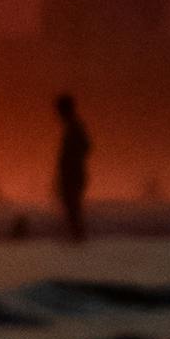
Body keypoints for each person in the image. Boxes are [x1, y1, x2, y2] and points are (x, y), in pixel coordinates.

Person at [52, 91, 92, 243]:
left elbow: (86, 147)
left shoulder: (75, 127)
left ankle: (78, 238)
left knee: (72, 208)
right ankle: (76, 237)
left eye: (59, 110)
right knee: (71, 208)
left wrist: (72, 163)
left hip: (73, 176)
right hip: (71, 175)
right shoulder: (72, 127)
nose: (57, 114)